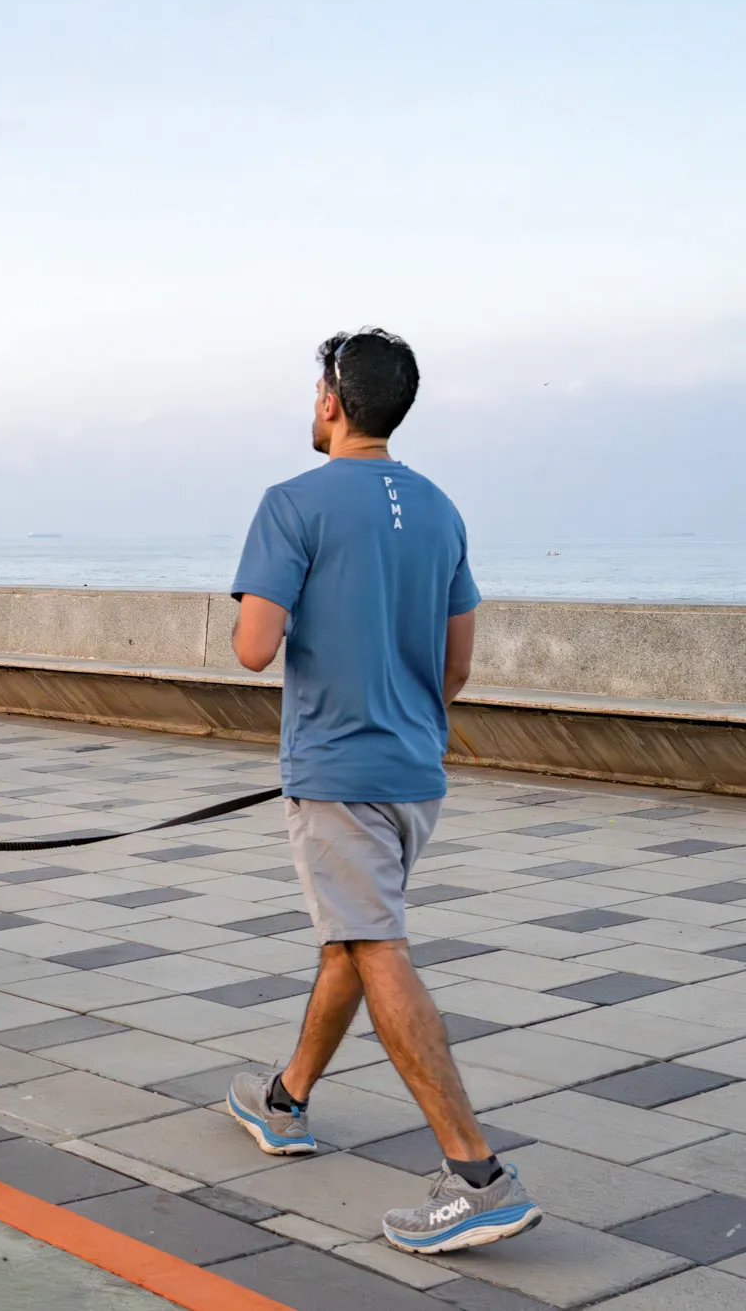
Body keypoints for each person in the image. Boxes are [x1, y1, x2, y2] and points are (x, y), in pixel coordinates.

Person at [223, 329, 540, 1254]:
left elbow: (252, 646)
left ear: (331, 399)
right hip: (414, 772)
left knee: (373, 942)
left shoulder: (292, 502)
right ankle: (286, 1100)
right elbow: (458, 666)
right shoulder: (440, 508)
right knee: (350, 939)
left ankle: (477, 1172)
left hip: (338, 769)